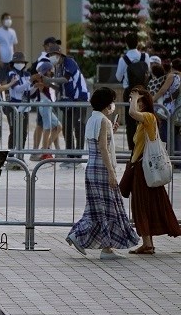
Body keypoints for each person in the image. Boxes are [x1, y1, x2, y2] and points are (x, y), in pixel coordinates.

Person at [65, 87, 139, 260]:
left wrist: (111, 130)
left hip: (92, 167)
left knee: (97, 208)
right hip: (102, 169)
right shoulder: (103, 121)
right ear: (107, 104)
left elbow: (98, 142)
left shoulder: (93, 119)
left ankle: (88, 239)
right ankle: (104, 248)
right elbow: (103, 148)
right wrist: (112, 173)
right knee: (109, 208)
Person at [125, 87, 181, 254]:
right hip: (141, 168)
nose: (135, 103)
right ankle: (147, 243)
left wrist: (135, 97)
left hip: (145, 170)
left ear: (145, 103)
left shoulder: (149, 117)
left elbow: (132, 113)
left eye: (139, 101)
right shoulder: (143, 122)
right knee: (149, 205)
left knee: (145, 205)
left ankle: (148, 243)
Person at [115, 31, 148, 151]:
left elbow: (118, 77)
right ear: (138, 42)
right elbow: (147, 74)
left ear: (126, 44)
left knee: (130, 123)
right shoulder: (145, 57)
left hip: (129, 93)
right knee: (144, 120)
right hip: (143, 93)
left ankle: (132, 150)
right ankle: (143, 147)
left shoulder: (124, 59)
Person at [0, 51, 32, 151]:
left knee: (24, 132)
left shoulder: (27, 74)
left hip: (25, 107)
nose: (20, 63)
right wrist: (30, 81)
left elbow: (30, 90)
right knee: (14, 131)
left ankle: (20, 155)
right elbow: (17, 89)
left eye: (22, 62)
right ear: (13, 63)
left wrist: (36, 86)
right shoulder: (12, 74)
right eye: (17, 62)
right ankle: (11, 155)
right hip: (14, 107)